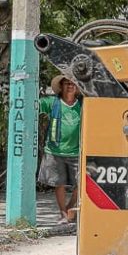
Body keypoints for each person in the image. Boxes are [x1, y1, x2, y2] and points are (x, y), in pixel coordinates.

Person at [38, 75, 82, 224]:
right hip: (55, 150)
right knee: (59, 184)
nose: (70, 86)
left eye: (73, 83)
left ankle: (70, 207)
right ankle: (63, 214)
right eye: (67, 83)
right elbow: (34, 105)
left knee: (82, 183)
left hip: (77, 151)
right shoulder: (53, 103)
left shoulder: (83, 105)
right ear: (61, 87)